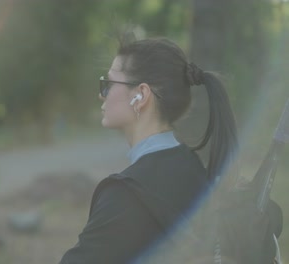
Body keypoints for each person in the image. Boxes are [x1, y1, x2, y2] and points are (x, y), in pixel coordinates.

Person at [59, 34, 238, 263]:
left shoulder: (125, 195)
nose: (100, 94)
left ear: (141, 95)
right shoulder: (192, 167)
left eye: (108, 84)